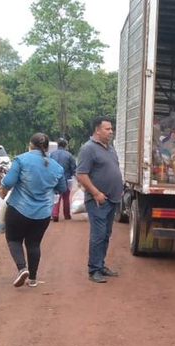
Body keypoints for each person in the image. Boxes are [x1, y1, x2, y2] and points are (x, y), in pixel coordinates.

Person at [0, 133, 66, 288]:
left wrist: (2, 192)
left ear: (30, 144)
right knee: (34, 244)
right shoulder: (57, 167)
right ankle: (33, 279)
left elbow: (8, 182)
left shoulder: (21, 160)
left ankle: (22, 268)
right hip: (43, 213)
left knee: (14, 239)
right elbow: (62, 188)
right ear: (48, 147)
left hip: (18, 209)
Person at [76, 117, 124, 284]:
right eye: (107, 129)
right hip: (98, 200)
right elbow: (81, 174)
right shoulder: (88, 149)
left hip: (112, 199)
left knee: (106, 234)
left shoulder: (110, 148)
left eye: (111, 129)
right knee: (98, 234)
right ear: (97, 130)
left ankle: (100, 264)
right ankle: (94, 270)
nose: (111, 132)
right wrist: (95, 193)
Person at [50, 137, 76, 222]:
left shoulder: (52, 154)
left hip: (54, 179)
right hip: (66, 179)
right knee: (66, 197)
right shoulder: (69, 155)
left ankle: (55, 214)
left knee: (56, 197)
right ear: (65, 145)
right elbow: (73, 169)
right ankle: (67, 215)